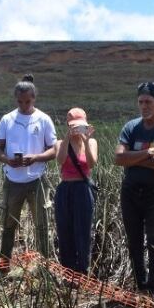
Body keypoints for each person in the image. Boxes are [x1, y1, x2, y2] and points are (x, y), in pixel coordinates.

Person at [114, 81, 154, 299]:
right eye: (141, 102)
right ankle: (140, 286)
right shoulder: (131, 127)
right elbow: (118, 158)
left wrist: (134, 159)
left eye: (148, 102)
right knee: (134, 240)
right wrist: (152, 152)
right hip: (131, 191)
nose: (144, 106)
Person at [0, 74, 57, 274]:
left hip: (37, 180)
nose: (24, 105)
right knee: (8, 225)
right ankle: (3, 268)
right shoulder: (7, 119)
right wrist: (7, 160)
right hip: (12, 180)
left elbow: (54, 150)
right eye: (20, 101)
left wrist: (36, 157)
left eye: (28, 101)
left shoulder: (44, 119)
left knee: (42, 225)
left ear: (34, 98)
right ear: (16, 99)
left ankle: (45, 269)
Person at [53, 107, 99, 275]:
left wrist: (86, 140)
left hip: (83, 189)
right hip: (65, 189)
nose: (77, 129)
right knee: (64, 229)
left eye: (80, 126)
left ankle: (83, 271)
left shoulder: (92, 142)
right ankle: (68, 271)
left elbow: (92, 163)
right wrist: (67, 138)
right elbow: (60, 160)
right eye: (74, 126)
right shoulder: (60, 143)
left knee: (83, 230)